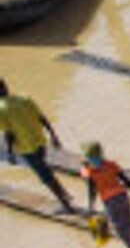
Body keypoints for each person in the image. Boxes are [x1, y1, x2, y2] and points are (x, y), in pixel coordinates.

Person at [0, 78, 75, 213]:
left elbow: (9, 134)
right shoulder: (24, 98)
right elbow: (42, 118)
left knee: (45, 177)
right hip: (40, 142)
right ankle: (66, 195)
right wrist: (53, 136)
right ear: (6, 87)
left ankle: (67, 206)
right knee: (46, 170)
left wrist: (10, 152)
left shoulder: (1, 109)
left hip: (26, 148)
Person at [78, 141, 130, 248]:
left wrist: (91, 208)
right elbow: (126, 180)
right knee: (128, 217)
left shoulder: (90, 173)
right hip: (122, 196)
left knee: (120, 227)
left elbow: (92, 191)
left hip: (110, 202)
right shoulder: (111, 165)